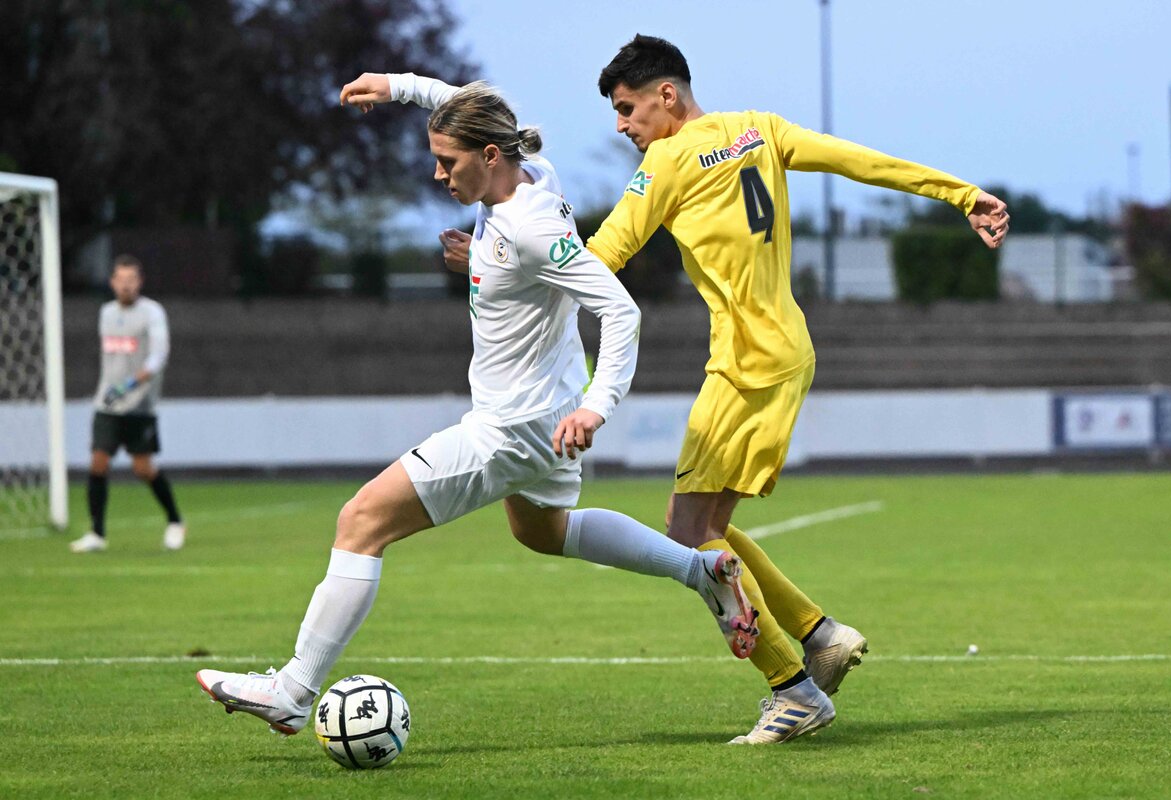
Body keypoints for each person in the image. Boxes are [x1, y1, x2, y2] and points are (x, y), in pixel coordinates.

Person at [196, 78, 764, 738]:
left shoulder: (529, 227)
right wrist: (398, 88)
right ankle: (700, 570)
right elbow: (466, 104)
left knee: (361, 520)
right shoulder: (529, 170)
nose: (438, 175)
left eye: (448, 162)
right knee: (542, 532)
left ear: (490, 156)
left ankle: (293, 690)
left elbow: (619, 310)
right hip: (544, 414)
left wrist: (598, 406)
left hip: (512, 427)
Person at [580, 34, 1012, 744]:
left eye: (628, 109)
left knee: (688, 536)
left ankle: (794, 685)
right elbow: (858, 160)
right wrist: (960, 193)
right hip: (786, 348)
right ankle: (819, 635)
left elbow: (602, 258)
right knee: (701, 526)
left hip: (746, 362)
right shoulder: (760, 129)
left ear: (667, 95)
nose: (623, 126)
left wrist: (501, 266)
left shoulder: (667, 160)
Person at [70, 255, 186, 553]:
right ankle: (97, 533)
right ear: (112, 282)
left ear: (140, 282)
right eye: (121, 279)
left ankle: (175, 521)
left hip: (140, 404)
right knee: (98, 462)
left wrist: (129, 385)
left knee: (143, 468)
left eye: (131, 279)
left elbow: (158, 357)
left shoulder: (152, 313)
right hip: (107, 403)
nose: (126, 285)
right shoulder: (106, 313)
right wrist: (111, 390)